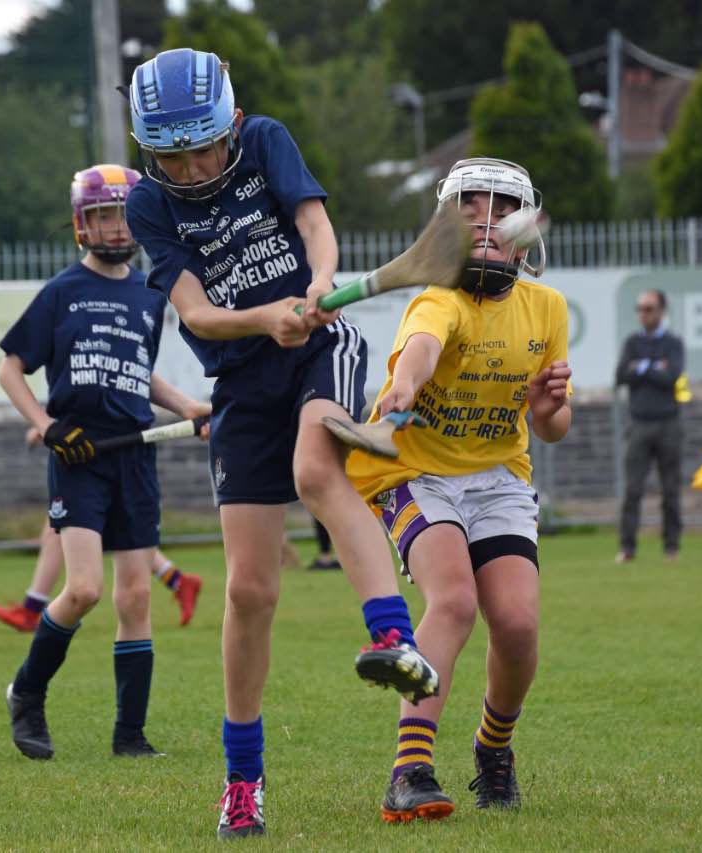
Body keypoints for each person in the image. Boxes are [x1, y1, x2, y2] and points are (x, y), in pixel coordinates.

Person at [125, 47, 439, 839]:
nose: (193, 167)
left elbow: (313, 225)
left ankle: (394, 638)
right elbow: (194, 314)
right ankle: (242, 780)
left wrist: (314, 289)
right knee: (249, 591)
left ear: (230, 122)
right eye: (172, 155)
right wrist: (262, 319)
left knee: (315, 468)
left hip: (319, 349)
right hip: (240, 379)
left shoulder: (265, 140)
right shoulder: (148, 207)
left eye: (203, 146)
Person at [346, 157, 571, 822]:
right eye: (469, 205)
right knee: (454, 601)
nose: (484, 218)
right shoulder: (435, 299)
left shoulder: (546, 307)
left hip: (500, 476)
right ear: (446, 222)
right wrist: (404, 388)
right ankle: (409, 769)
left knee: (519, 623)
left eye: (499, 207)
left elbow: (553, 427)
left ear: (523, 227)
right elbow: (417, 352)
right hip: (418, 472)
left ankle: (492, 748)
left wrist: (545, 402)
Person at [0, 163, 211, 762]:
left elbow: (137, 375)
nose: (115, 228)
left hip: (134, 455)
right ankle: (28, 691)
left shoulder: (150, 293)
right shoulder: (62, 291)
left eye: (122, 216)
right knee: (86, 588)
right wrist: (43, 426)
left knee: (136, 597)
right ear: (80, 224)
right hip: (78, 453)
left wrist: (187, 404)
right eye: (101, 217)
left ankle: (130, 735)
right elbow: (10, 368)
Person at [0, 427, 204, 630]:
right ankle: (180, 581)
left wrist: (44, 425)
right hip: (98, 452)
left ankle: (31, 610)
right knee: (117, 538)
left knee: (65, 530)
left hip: (99, 453)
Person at [614, 288, 685, 563]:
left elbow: (672, 377)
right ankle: (627, 547)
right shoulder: (632, 343)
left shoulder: (674, 343)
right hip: (639, 424)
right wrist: (653, 366)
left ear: (661, 311)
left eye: (649, 308)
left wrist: (640, 368)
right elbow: (621, 375)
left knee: (670, 490)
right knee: (633, 490)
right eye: (640, 309)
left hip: (669, 424)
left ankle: (671, 547)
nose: (643, 314)